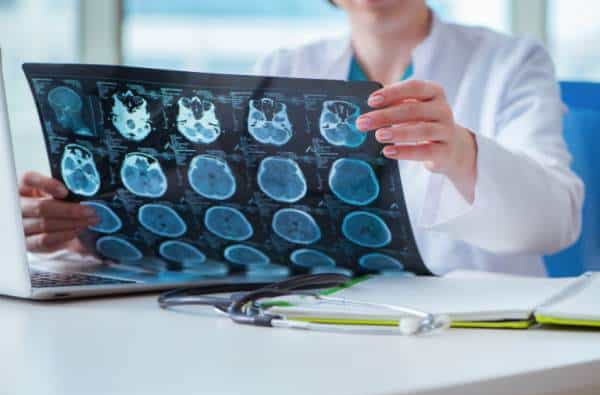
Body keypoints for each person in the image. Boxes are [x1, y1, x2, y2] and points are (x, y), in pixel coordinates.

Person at [20, 0, 583, 276]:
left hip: (473, 337)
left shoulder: (512, 62)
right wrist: (88, 227)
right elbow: (208, 216)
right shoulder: (283, 68)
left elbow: (555, 223)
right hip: (315, 326)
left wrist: (461, 152)